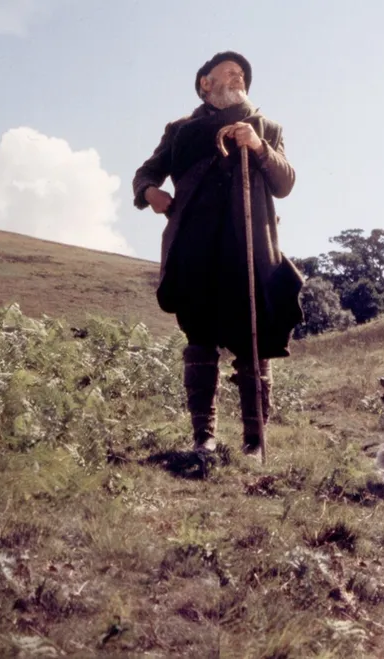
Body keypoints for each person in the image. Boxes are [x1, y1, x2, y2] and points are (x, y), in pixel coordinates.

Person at [132, 50, 305, 461]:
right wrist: (150, 193)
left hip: (250, 250)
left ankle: (254, 442)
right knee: (200, 339)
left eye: (242, 73)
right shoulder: (180, 131)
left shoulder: (267, 128)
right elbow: (147, 172)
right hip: (196, 248)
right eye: (229, 71)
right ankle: (203, 438)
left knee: (253, 343)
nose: (238, 76)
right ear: (205, 83)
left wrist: (258, 146)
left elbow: (285, 183)